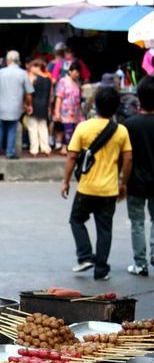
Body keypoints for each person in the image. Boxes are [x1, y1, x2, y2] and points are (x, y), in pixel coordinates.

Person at [61, 86, 132, 281]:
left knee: (76, 220)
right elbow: (127, 160)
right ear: (116, 108)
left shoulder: (83, 127)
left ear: (96, 105)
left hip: (86, 188)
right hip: (109, 189)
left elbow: (72, 156)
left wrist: (66, 181)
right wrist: (123, 184)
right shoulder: (121, 131)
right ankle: (101, 270)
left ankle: (85, 256)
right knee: (104, 230)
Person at [123, 75, 154, 276]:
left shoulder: (130, 124)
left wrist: (122, 181)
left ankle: (140, 263)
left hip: (135, 181)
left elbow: (127, 158)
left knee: (137, 222)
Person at [0, 50, 34, 159]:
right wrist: (27, 104)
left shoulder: (0, 72)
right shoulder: (23, 73)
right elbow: (29, 93)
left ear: (8, 60)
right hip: (16, 108)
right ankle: (9, 153)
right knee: (12, 130)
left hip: (1, 107)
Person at [53, 62, 82, 155]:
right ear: (70, 71)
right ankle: (64, 148)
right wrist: (57, 111)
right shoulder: (63, 81)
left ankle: (69, 147)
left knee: (73, 130)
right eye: (75, 72)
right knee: (67, 130)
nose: (77, 74)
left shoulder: (77, 83)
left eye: (78, 73)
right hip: (65, 111)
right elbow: (59, 97)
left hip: (75, 111)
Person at [26, 59, 52, 157]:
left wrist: (28, 105)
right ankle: (46, 149)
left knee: (33, 128)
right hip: (44, 105)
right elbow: (50, 95)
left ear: (37, 67)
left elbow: (29, 94)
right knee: (43, 127)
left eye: (32, 66)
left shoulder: (33, 79)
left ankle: (34, 150)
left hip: (33, 105)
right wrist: (49, 106)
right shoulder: (48, 79)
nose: (30, 68)